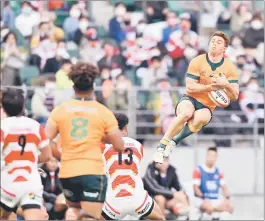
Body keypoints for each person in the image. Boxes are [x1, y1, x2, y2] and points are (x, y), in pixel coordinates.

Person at [45, 62, 125, 220]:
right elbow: (119, 146)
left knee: (73, 211)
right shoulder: (103, 112)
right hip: (91, 172)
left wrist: (60, 155)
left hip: (67, 172)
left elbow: (45, 140)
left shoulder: (60, 110)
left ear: (73, 87)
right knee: (91, 217)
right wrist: (101, 136)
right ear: (93, 86)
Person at [154, 31, 239, 163]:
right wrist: (211, 87)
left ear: (225, 48)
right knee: (187, 113)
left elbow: (234, 95)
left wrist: (226, 85)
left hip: (208, 106)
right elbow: (190, 87)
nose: (214, 44)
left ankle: (175, 141)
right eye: (213, 41)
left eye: (219, 42)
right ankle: (162, 146)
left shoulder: (229, 67)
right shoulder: (198, 61)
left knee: (200, 118)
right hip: (190, 99)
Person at [101, 113, 165, 220]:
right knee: (160, 217)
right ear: (126, 128)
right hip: (137, 199)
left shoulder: (104, 148)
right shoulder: (138, 145)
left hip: (114, 202)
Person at [0, 88, 51, 220]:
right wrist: (29, 163)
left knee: (6, 215)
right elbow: (46, 155)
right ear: (23, 106)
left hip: (8, 182)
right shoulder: (36, 126)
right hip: (31, 183)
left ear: (4, 107)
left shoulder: (3, 127)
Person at [192, 147, 233, 218]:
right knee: (208, 207)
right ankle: (214, 212)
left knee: (230, 207)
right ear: (207, 156)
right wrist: (204, 198)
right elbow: (195, 188)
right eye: (210, 155)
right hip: (203, 199)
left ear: (216, 157)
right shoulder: (199, 170)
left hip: (215, 199)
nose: (212, 158)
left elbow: (225, 187)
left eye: (214, 156)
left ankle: (215, 212)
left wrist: (227, 199)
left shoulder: (218, 172)